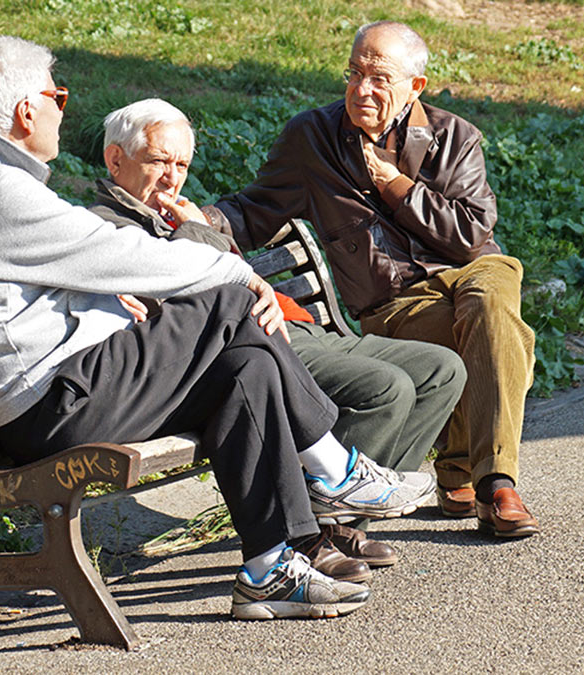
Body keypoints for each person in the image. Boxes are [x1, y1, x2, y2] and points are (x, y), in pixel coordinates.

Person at [0, 36, 426, 620]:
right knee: (228, 303)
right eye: (57, 95)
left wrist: (110, 304)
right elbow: (119, 254)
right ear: (24, 111)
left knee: (246, 368)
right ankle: (337, 472)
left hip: (60, 391)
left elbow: (48, 281)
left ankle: (269, 569)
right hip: (48, 408)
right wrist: (240, 272)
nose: (64, 108)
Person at [89, 98, 464, 569]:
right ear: (115, 159)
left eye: (182, 164)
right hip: (248, 347)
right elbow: (178, 301)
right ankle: (318, 533)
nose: (173, 177)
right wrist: (196, 232)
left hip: (291, 325)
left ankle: (339, 521)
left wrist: (194, 229)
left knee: (442, 369)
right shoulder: (104, 228)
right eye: (160, 161)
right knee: (385, 389)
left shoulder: (172, 214)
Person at [207, 21, 541, 537]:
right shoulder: (312, 138)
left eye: (380, 78)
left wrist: (398, 187)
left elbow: (473, 236)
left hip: (473, 271)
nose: (363, 89)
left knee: (492, 301)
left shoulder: (454, 137)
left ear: (416, 87)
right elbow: (256, 209)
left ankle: (496, 481)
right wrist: (197, 220)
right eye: (355, 73)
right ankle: (458, 468)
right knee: (481, 334)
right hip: (397, 302)